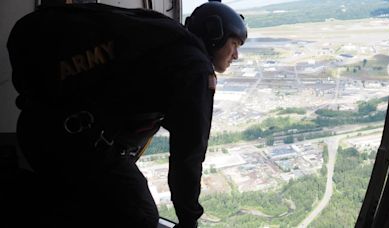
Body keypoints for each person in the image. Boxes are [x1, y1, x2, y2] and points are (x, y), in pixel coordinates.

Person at [7, 1, 247, 227]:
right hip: (70, 145)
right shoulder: (195, 69)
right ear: (215, 35)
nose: (235, 55)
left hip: (40, 128)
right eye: (234, 44)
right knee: (140, 216)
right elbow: (188, 157)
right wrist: (188, 219)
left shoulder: (163, 37)